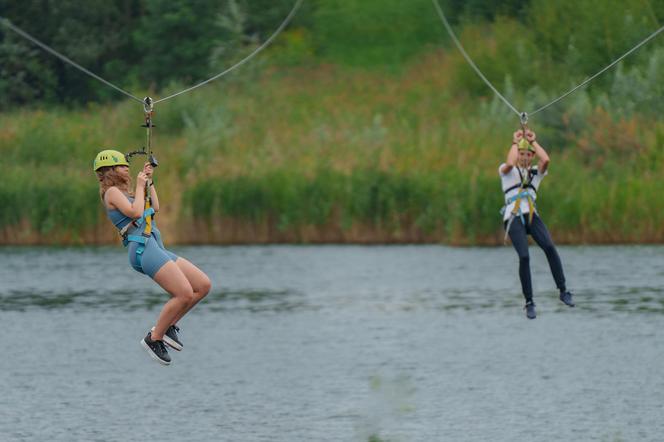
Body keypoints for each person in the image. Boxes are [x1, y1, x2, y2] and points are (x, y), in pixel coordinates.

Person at [93, 150, 211, 364]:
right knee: (183, 293)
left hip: (155, 245)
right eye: (122, 166)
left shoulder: (127, 192)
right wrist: (139, 186)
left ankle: (166, 328)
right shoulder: (111, 192)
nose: (127, 169)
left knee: (202, 285)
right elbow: (136, 212)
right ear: (109, 171)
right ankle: (154, 338)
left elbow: (153, 207)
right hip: (142, 249)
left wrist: (150, 183)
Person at [499, 130, 575, 319]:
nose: (524, 158)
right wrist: (515, 142)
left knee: (549, 246)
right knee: (524, 256)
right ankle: (529, 302)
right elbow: (510, 162)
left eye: (528, 155)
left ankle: (563, 290)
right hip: (514, 217)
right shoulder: (506, 171)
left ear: (532, 156)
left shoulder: (535, 174)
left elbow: (546, 160)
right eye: (521, 155)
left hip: (532, 215)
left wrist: (534, 141)